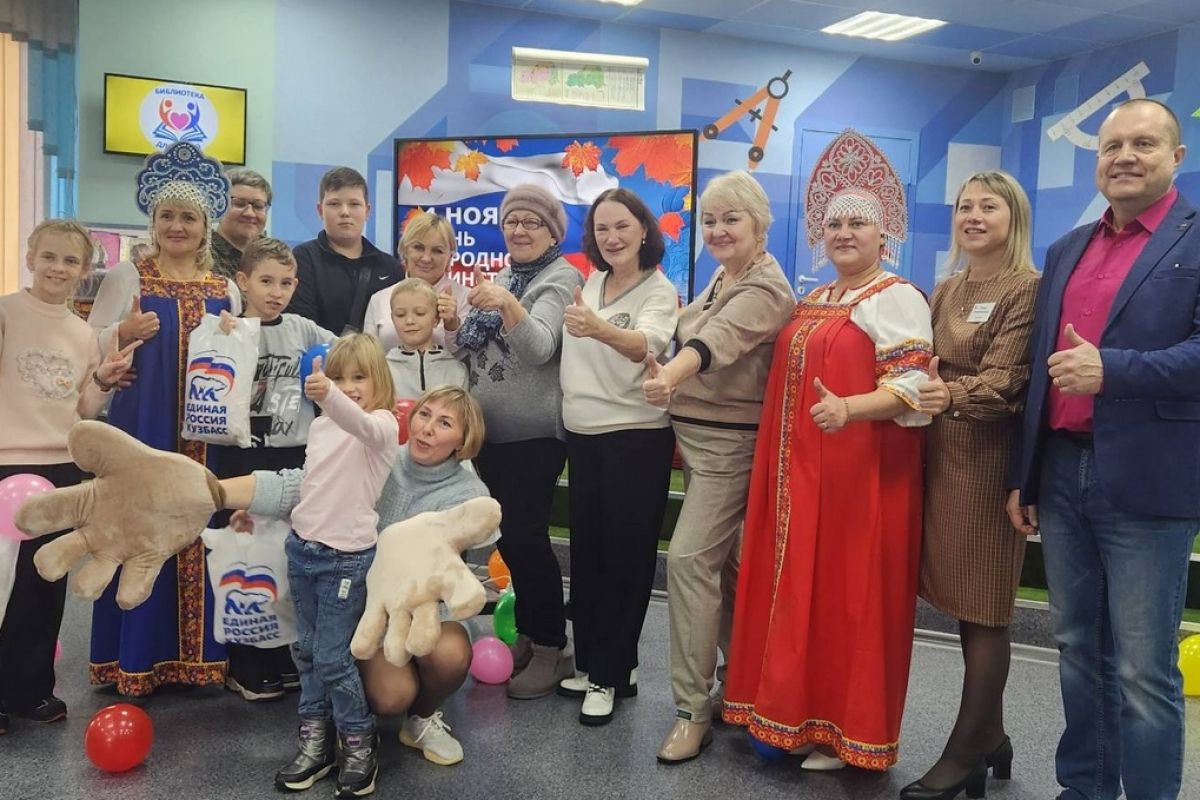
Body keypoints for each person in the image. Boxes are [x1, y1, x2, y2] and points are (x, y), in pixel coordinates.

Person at [721, 130, 933, 773]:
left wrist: (850, 409)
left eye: (857, 223)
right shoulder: (815, 297)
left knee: (847, 599)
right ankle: (790, 717)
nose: (844, 233)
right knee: (798, 595)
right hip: (797, 476)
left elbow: (916, 387)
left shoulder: (896, 297)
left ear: (883, 233)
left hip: (860, 480)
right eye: (835, 223)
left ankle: (844, 732)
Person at [1008, 98, 1200, 800]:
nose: (1124, 157)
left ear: (1176, 157)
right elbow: (1041, 371)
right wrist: (1025, 475)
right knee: (1078, 648)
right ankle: (1085, 788)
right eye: (1111, 145)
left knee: (1145, 669)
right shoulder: (1067, 248)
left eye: (1143, 144)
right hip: (1062, 471)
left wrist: (1112, 369)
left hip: (1149, 480)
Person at [221, 386, 490, 768]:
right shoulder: (376, 452)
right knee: (391, 696)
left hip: (425, 608)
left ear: (463, 441)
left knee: (451, 654)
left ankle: (421, 718)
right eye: (424, 414)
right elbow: (302, 485)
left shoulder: (469, 492)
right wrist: (227, 497)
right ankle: (352, 708)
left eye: (444, 423)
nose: (427, 428)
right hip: (366, 608)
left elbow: (447, 571)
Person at [641, 171, 795, 763]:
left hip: (728, 450)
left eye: (732, 219)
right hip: (695, 443)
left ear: (760, 225)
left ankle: (690, 711)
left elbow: (715, 343)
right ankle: (738, 686)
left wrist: (669, 376)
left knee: (687, 562)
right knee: (727, 570)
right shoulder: (723, 276)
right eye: (709, 220)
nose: (718, 230)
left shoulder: (765, 287)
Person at [86, 142, 243, 696]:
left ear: (205, 227)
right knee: (141, 528)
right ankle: (133, 659)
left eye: (189, 218)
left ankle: (199, 659)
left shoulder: (225, 288)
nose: (177, 226)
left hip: (206, 438)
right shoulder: (128, 277)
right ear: (152, 222)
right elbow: (88, 341)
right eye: (167, 216)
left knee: (201, 525)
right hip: (143, 428)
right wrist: (121, 334)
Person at [904, 171, 1039, 800]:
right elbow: (917, 361)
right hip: (939, 456)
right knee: (964, 604)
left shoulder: (1026, 288)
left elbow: (1008, 382)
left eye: (989, 206)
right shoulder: (948, 287)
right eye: (965, 206)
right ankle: (995, 733)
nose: (974, 216)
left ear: (1014, 218)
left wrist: (947, 394)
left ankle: (966, 752)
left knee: (986, 610)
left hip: (988, 463)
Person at [0, 220, 138, 734]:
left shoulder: (83, 335)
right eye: (49, 257)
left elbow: (82, 409)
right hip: (6, 464)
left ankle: (32, 689)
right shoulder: (6, 313)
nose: (58, 268)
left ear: (83, 271)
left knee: (44, 581)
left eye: (70, 261)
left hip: (60, 467)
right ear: (30, 258)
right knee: (2, 583)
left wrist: (102, 380)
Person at [456, 183, 584, 699]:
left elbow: (539, 348)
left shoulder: (561, 278)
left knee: (527, 539)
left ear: (552, 232)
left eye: (532, 222)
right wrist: (453, 323)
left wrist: (508, 302)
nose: (519, 230)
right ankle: (530, 632)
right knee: (509, 540)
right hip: (489, 433)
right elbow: (472, 351)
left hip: (533, 435)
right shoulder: (507, 275)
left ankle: (553, 644)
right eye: (512, 221)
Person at [557, 188, 678, 725]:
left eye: (622, 226)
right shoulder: (592, 282)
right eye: (602, 228)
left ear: (644, 230)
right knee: (589, 554)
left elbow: (645, 346)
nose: (612, 237)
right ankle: (601, 666)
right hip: (583, 434)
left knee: (626, 559)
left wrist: (598, 328)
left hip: (636, 436)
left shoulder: (659, 290)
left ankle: (608, 674)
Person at [269, 334, 398, 797]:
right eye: (339, 377)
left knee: (332, 656)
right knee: (306, 651)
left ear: (379, 380)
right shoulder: (323, 427)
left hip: (346, 560)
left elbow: (358, 422)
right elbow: (314, 485)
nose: (348, 386)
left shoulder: (382, 426)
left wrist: (329, 393)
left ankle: (358, 740)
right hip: (303, 550)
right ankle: (316, 740)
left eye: (359, 377)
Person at [213, 236, 336, 703]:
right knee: (246, 556)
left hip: (294, 456)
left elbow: (349, 353)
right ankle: (246, 661)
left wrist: (326, 375)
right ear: (243, 281)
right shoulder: (229, 327)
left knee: (288, 559)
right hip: (244, 457)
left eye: (286, 283)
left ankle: (283, 653)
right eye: (266, 281)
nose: (276, 292)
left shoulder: (303, 329)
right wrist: (222, 334)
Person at [288, 167, 401, 336]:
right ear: (320, 210)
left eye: (354, 204)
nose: (345, 212)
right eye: (334, 204)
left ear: (367, 211)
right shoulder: (303, 259)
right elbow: (301, 327)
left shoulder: (389, 267)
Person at [364, 211, 469, 353]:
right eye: (418, 248)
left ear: (450, 258)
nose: (426, 258)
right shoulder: (379, 300)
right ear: (404, 250)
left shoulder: (466, 300)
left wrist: (453, 326)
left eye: (437, 251)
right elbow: (368, 360)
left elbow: (470, 359)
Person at [384, 278, 468, 399]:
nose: (409, 321)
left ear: (436, 319)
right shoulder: (382, 370)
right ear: (393, 319)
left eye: (420, 313)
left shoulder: (457, 370)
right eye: (400, 315)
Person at [210, 167, 272, 280]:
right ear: (220, 206)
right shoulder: (200, 256)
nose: (249, 213)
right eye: (239, 203)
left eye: (258, 206)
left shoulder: (274, 257)